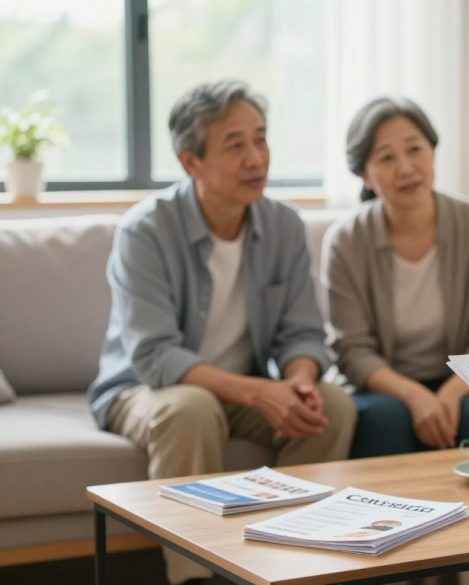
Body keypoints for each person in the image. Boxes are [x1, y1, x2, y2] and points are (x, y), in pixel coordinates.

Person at [88, 79, 357, 585]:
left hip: (240, 389)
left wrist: (298, 382)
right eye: (236, 145)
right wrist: (263, 393)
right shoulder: (144, 232)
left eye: (261, 138)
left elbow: (302, 333)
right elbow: (156, 357)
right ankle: (193, 577)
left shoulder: (283, 226)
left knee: (332, 404)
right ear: (190, 162)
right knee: (191, 408)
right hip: (143, 389)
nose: (256, 158)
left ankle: (290, 564)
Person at [325, 97, 469, 457]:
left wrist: (448, 394)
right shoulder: (347, 241)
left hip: (462, 381)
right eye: (386, 158)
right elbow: (352, 350)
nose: (406, 167)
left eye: (415, 149)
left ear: (433, 151)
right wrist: (414, 395)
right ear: (365, 174)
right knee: (384, 418)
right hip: (383, 385)